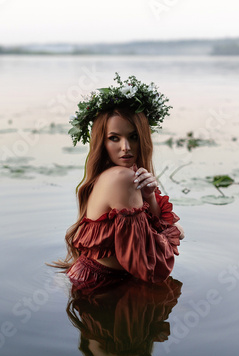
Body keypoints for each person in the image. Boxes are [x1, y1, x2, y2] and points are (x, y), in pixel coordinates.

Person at [53, 73, 184, 291]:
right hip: (101, 289)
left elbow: (146, 235)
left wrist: (150, 195)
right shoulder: (122, 178)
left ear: (143, 138)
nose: (126, 147)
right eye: (115, 138)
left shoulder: (117, 174)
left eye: (133, 136)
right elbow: (148, 265)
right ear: (102, 142)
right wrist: (175, 231)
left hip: (108, 281)